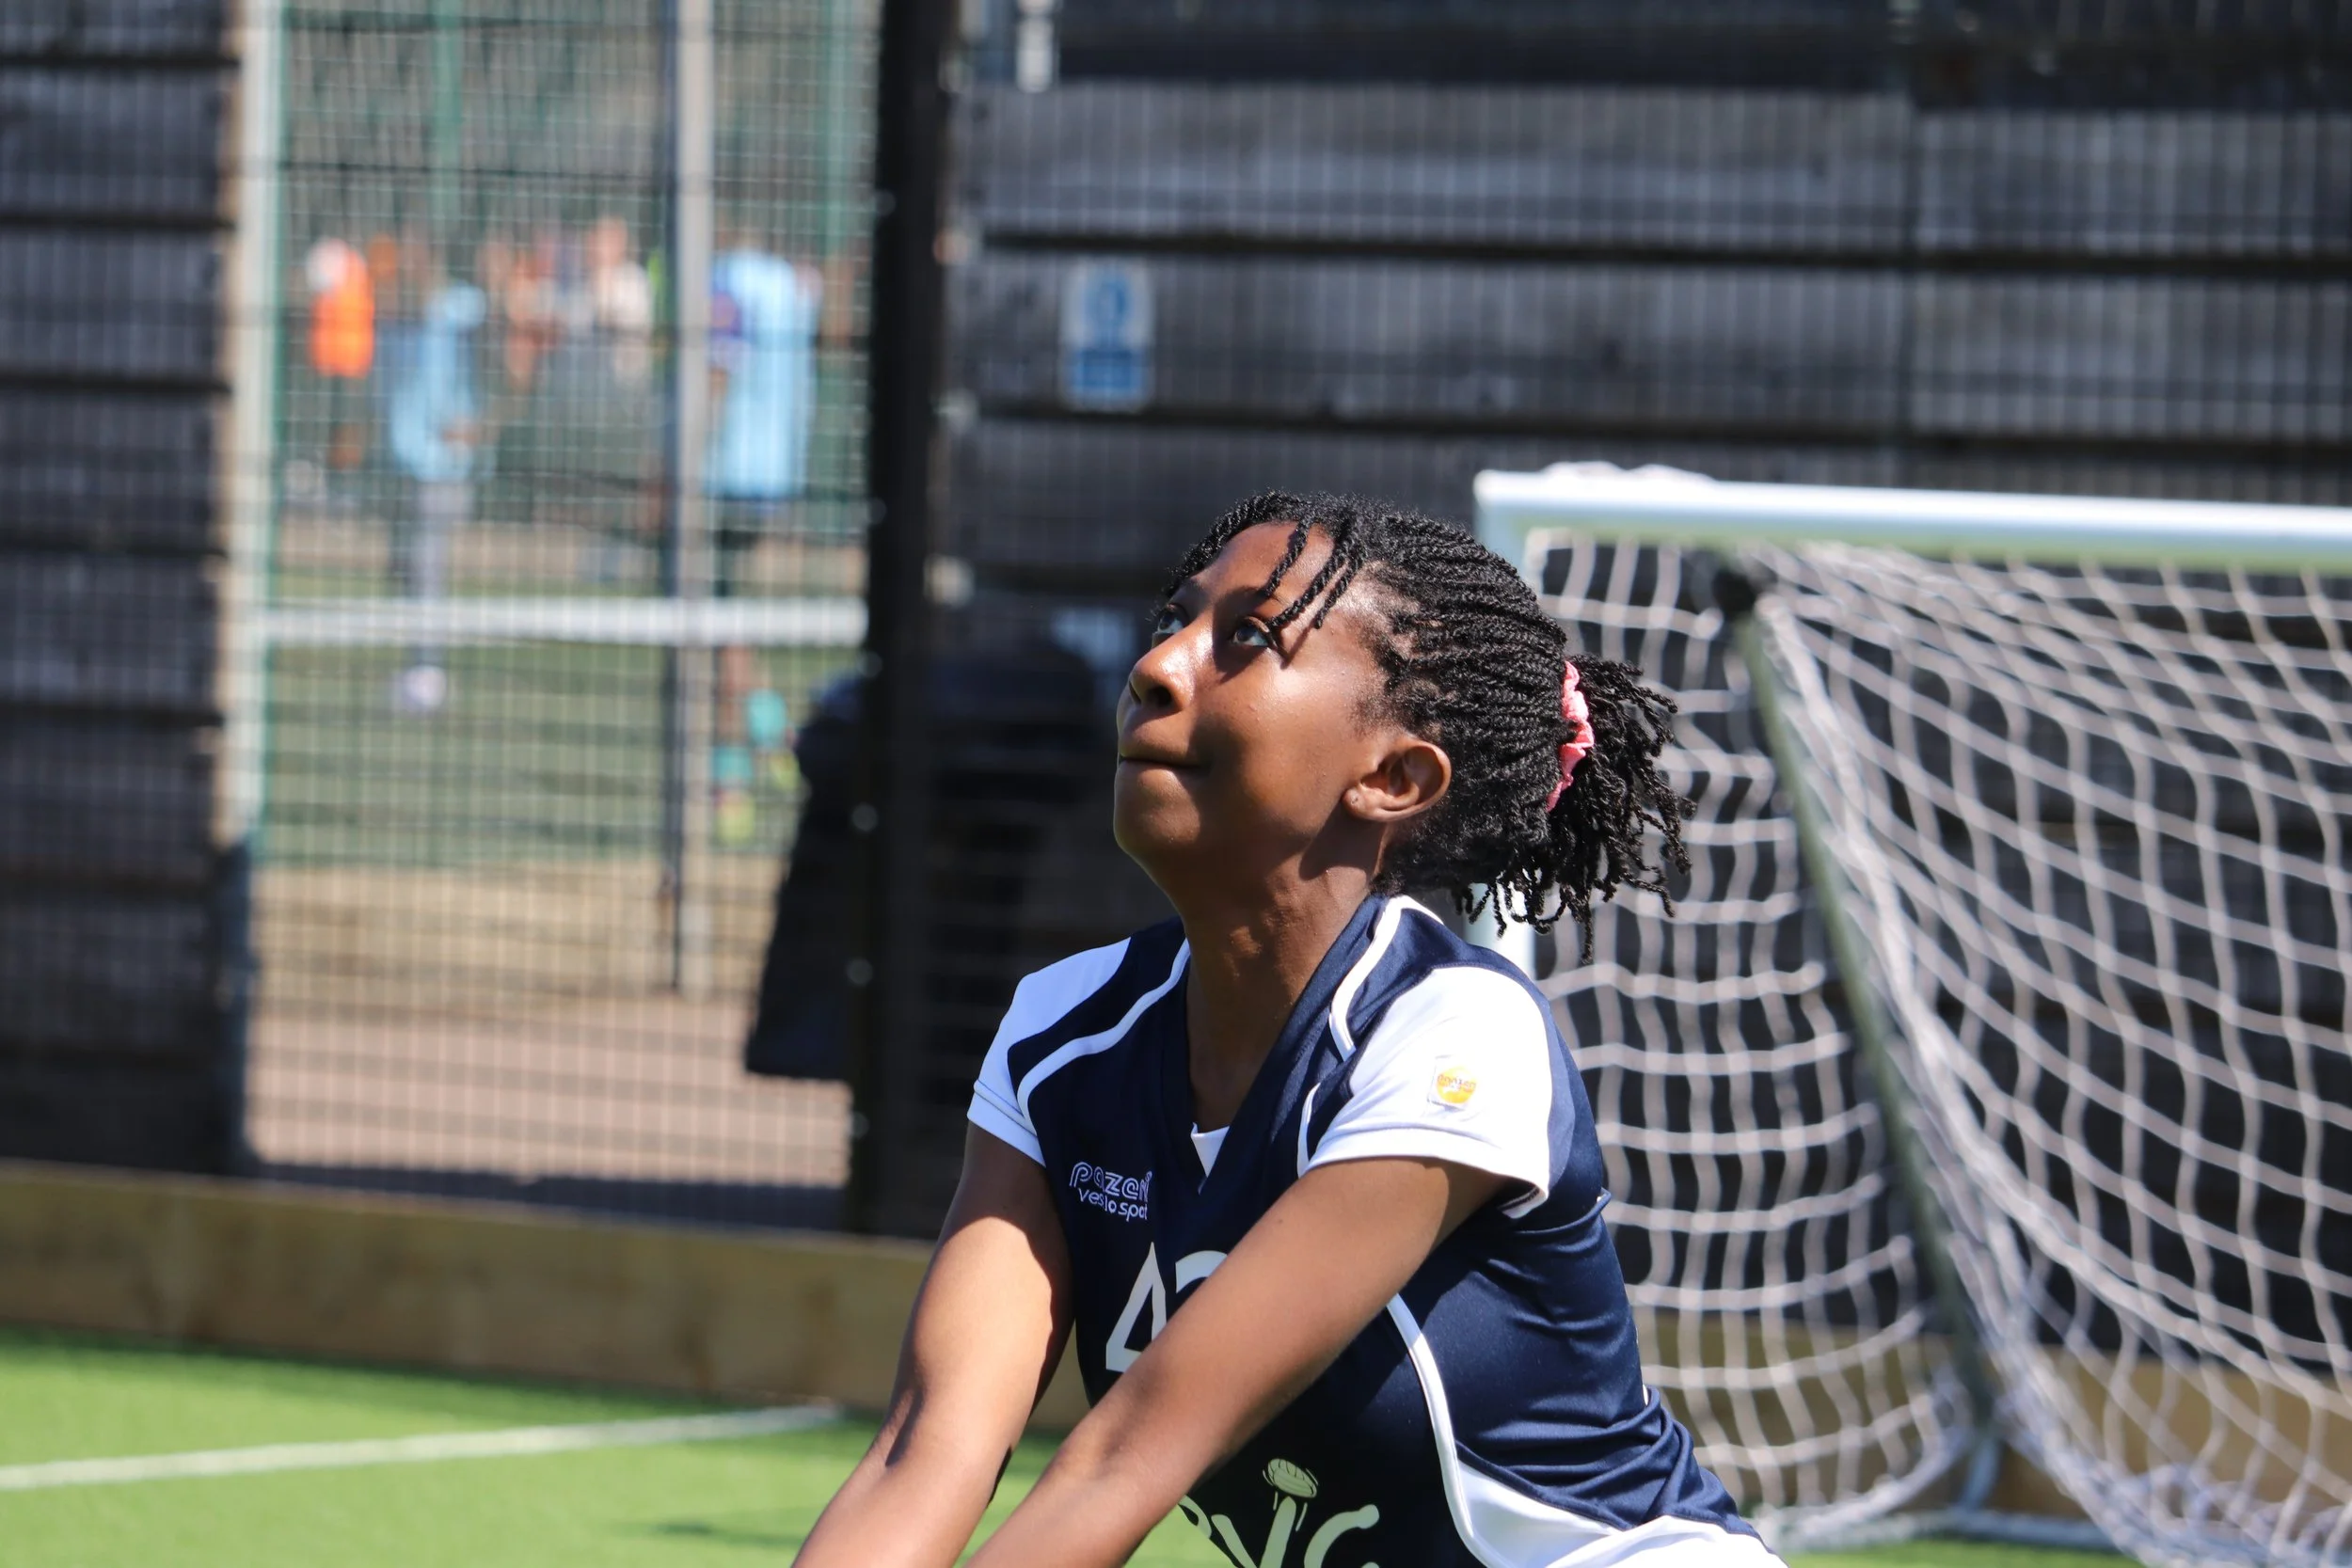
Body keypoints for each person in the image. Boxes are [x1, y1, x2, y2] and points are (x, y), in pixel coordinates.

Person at [792, 492, 1778, 1568]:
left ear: (1394, 777)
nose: (1158, 666)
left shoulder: (1451, 1031)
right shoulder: (1061, 1035)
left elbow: (1125, 1454)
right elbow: (921, 1449)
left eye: (1247, 638)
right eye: (1175, 619)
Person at [707, 238, 820, 843]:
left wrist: (670, 463)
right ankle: (771, 730)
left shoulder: (724, 276)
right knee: (729, 630)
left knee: (715, 635)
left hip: (720, 477)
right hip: (773, 474)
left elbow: (716, 371)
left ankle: (734, 773)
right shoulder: (790, 283)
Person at [383, 245, 485, 715]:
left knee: (427, 570)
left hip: (441, 470)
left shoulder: (458, 310)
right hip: (403, 470)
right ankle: (418, 662)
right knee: (405, 568)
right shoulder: (394, 326)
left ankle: (427, 672)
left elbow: (498, 337)